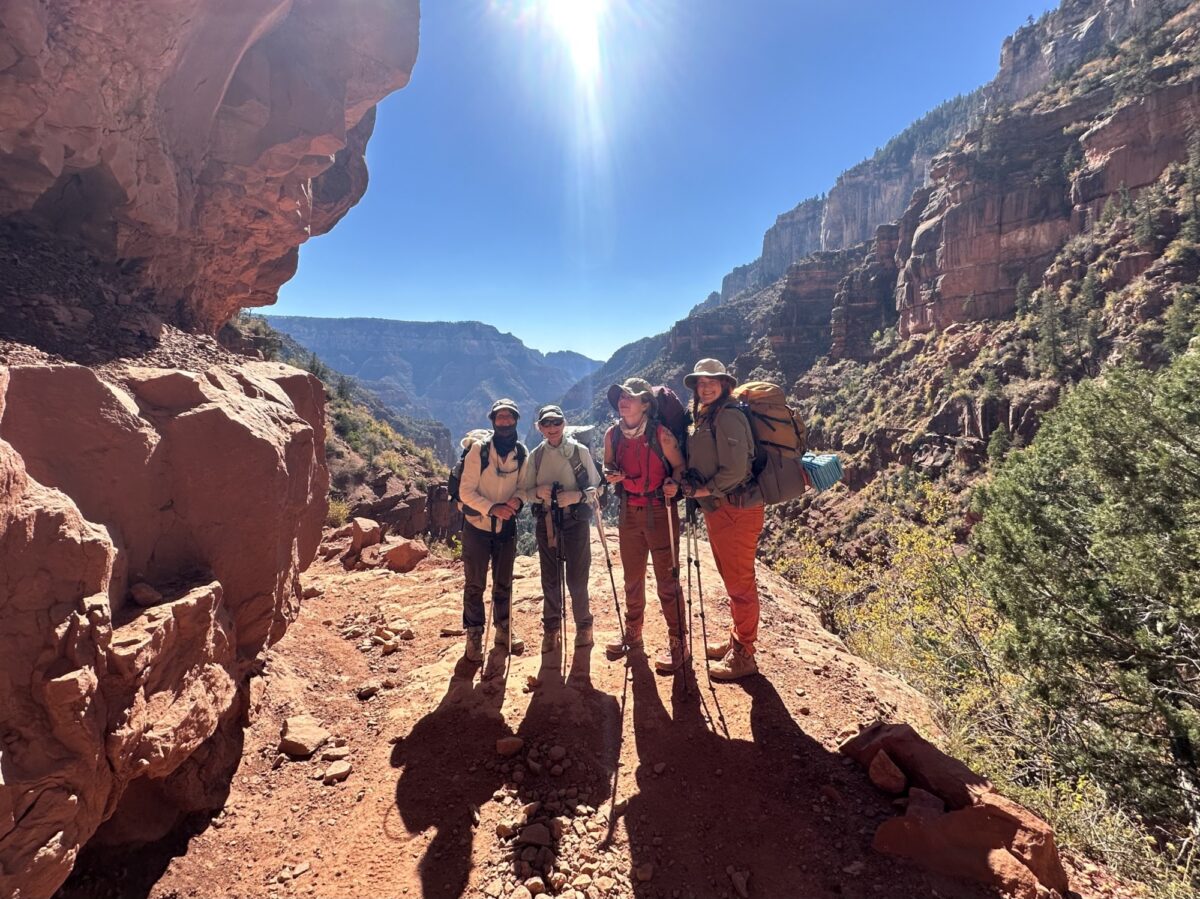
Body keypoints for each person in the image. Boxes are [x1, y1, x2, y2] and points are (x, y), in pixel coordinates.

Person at [681, 359, 764, 680]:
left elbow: (736, 470)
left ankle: (745, 654)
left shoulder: (728, 415)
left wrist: (704, 490)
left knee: (741, 584)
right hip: (721, 509)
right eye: (700, 382)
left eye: (712, 381)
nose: (706, 386)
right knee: (733, 581)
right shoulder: (708, 415)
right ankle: (736, 640)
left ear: (725, 384)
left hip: (737, 509)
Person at [602, 378, 689, 674]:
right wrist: (611, 475)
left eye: (631, 397)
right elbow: (608, 467)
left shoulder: (661, 435)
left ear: (645, 404)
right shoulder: (612, 435)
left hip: (658, 509)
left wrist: (673, 483)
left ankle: (679, 642)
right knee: (632, 577)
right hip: (629, 510)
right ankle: (633, 632)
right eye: (622, 396)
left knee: (667, 580)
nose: (624, 401)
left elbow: (679, 466)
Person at [518, 404, 600, 659]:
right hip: (547, 523)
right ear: (539, 427)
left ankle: (584, 626)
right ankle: (551, 629)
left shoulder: (579, 452)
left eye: (556, 422)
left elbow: (598, 489)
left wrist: (575, 496)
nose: (552, 428)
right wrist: (537, 493)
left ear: (564, 424)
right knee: (550, 579)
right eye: (546, 424)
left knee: (577, 578)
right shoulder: (536, 456)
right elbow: (524, 491)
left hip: (575, 522)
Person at [457, 398, 528, 662]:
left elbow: (523, 486)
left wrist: (517, 500)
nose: (505, 421)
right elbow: (465, 491)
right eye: (500, 417)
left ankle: (503, 629)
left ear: (516, 420)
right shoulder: (479, 451)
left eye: (510, 417)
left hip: (506, 526)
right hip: (477, 526)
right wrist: (492, 508)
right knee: (475, 583)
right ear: (493, 421)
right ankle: (474, 635)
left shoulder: (521, 453)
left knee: (504, 582)